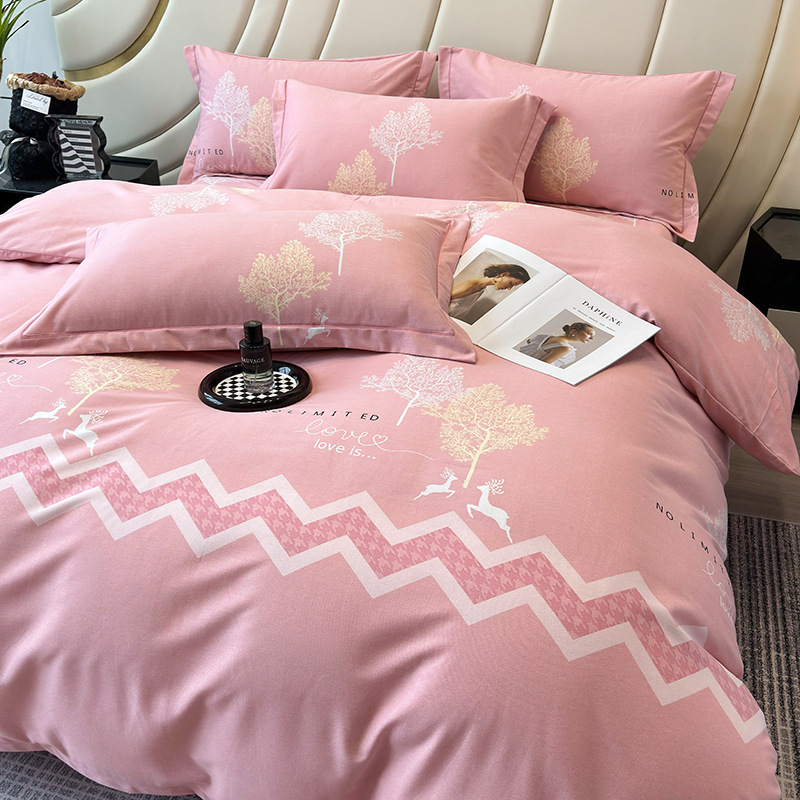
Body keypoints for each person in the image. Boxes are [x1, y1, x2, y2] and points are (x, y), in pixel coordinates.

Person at [449, 264, 530, 321]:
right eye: (511, 283)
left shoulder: (480, 289)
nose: (509, 288)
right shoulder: (470, 285)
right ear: (503, 275)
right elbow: (443, 300)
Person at [516, 321, 595, 367]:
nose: (591, 338)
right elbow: (542, 365)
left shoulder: (547, 337)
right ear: (573, 331)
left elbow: (529, 342)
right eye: (589, 334)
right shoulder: (565, 348)